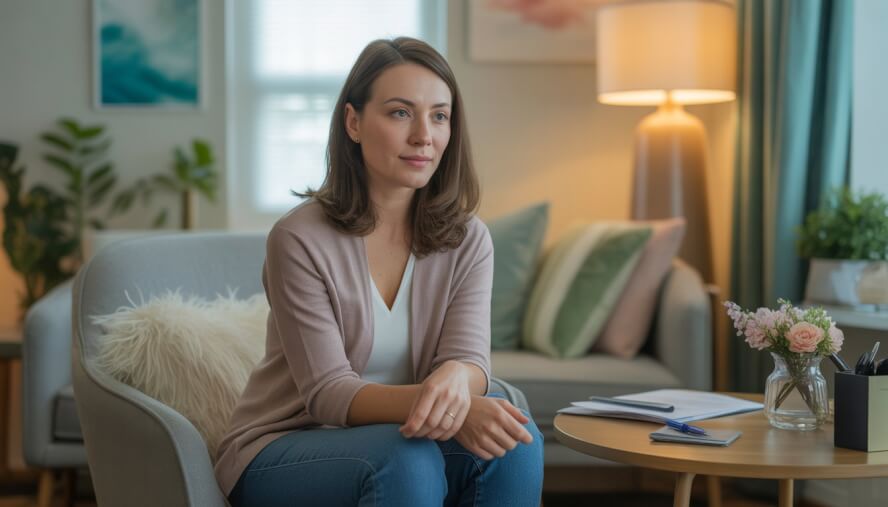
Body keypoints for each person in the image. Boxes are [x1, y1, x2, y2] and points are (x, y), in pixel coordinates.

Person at [214, 36, 544, 506]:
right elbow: (328, 394)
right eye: (400, 112)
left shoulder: (468, 238)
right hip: (288, 446)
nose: (424, 136)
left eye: (439, 116)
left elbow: (471, 361)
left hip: (410, 439)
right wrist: (453, 405)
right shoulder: (299, 238)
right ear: (353, 122)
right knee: (405, 459)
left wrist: (457, 378)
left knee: (515, 445)